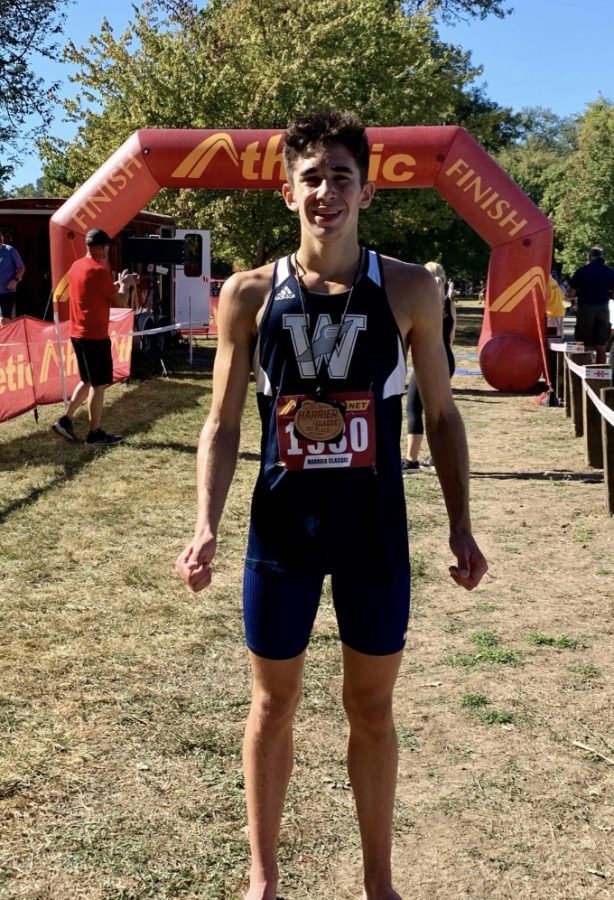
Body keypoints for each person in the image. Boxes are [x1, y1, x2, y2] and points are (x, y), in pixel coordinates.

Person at [175, 110, 487, 900]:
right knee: (273, 705)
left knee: (371, 711)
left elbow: (443, 416)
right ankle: (263, 879)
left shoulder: (410, 287)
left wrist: (461, 523)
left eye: (340, 176)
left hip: (372, 534)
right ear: (288, 193)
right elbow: (220, 422)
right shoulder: (249, 295)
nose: (325, 192)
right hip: (281, 533)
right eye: (310, 178)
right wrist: (205, 524)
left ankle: (378, 883)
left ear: (367, 190)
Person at [51, 228, 138, 445]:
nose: (108, 250)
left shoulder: (76, 266)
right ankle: (94, 433)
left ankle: (65, 420)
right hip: (94, 335)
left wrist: (117, 284)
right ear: (100, 248)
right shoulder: (99, 270)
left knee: (87, 380)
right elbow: (121, 301)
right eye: (107, 246)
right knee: (99, 385)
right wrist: (126, 285)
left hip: (78, 333)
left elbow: (96, 292)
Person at [402, 260, 456, 473]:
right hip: (446, 358)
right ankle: (436, 457)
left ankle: (411, 460)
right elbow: (451, 337)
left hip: (428, 360)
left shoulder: (421, 302)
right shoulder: (448, 303)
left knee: (414, 407)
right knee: (439, 409)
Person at [567, 247, 614, 364]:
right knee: (601, 344)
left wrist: (578, 293)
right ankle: (599, 373)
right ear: (602, 257)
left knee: (583, 343)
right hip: (603, 308)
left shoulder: (582, 271)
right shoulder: (610, 272)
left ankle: (582, 370)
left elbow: (570, 293)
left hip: (586, 308)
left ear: (589, 257)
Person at [0, 231, 25, 327]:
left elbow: (21, 267)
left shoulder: (10, 251)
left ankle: (6, 339)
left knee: (5, 319)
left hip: (7, 290)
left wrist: (15, 279)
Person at [546, 272, 566, 339]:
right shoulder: (552, 280)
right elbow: (562, 294)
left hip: (552, 314)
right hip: (559, 311)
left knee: (553, 338)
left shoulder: (545, 281)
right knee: (557, 336)